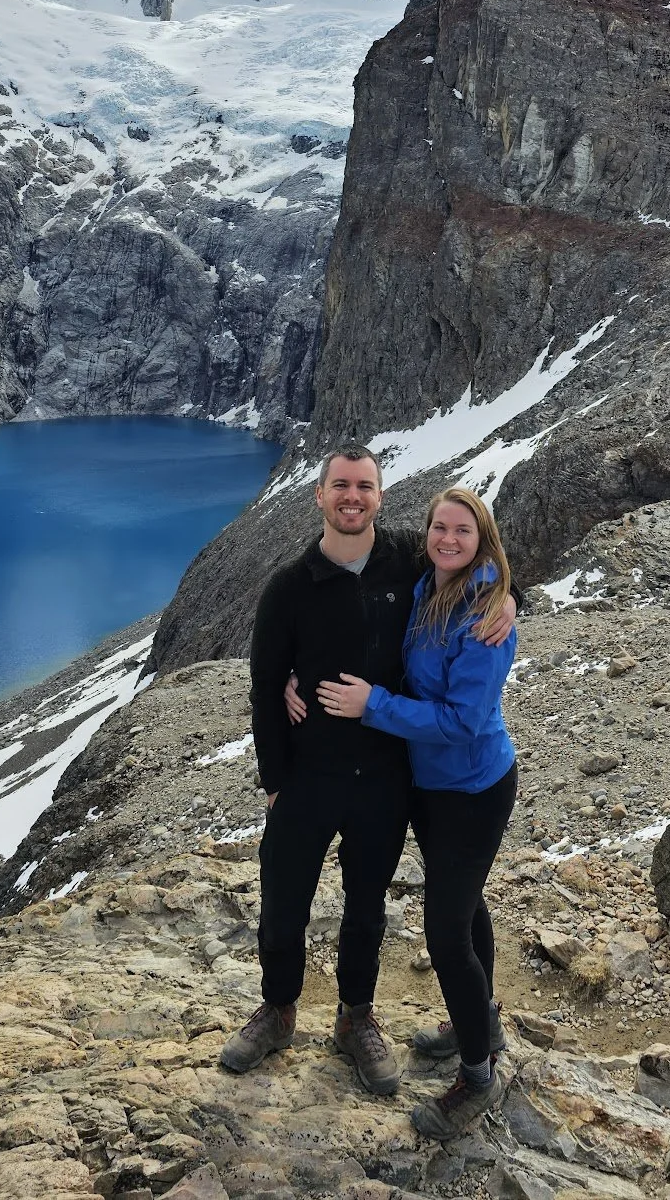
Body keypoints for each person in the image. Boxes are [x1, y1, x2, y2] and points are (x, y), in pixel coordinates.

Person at [218, 447, 515, 1096]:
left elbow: (469, 555)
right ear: (319, 495)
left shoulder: (407, 559)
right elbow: (266, 686)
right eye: (341, 487)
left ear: (381, 497)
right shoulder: (289, 588)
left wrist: (503, 595)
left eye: (366, 487)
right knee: (282, 904)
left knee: (366, 906)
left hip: (384, 775)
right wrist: (274, 781)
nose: (353, 498)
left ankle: (356, 1020)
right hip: (308, 775)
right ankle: (277, 1010)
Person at [317, 486, 518, 1141]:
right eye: (440, 528)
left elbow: (461, 723)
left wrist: (373, 705)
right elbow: (344, 545)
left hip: (474, 788)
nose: (448, 539)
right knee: (468, 908)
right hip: (434, 787)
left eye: (462, 531)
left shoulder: (487, 614)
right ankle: (480, 1025)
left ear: (481, 540)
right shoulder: (428, 578)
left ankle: (478, 1078)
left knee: (446, 933)